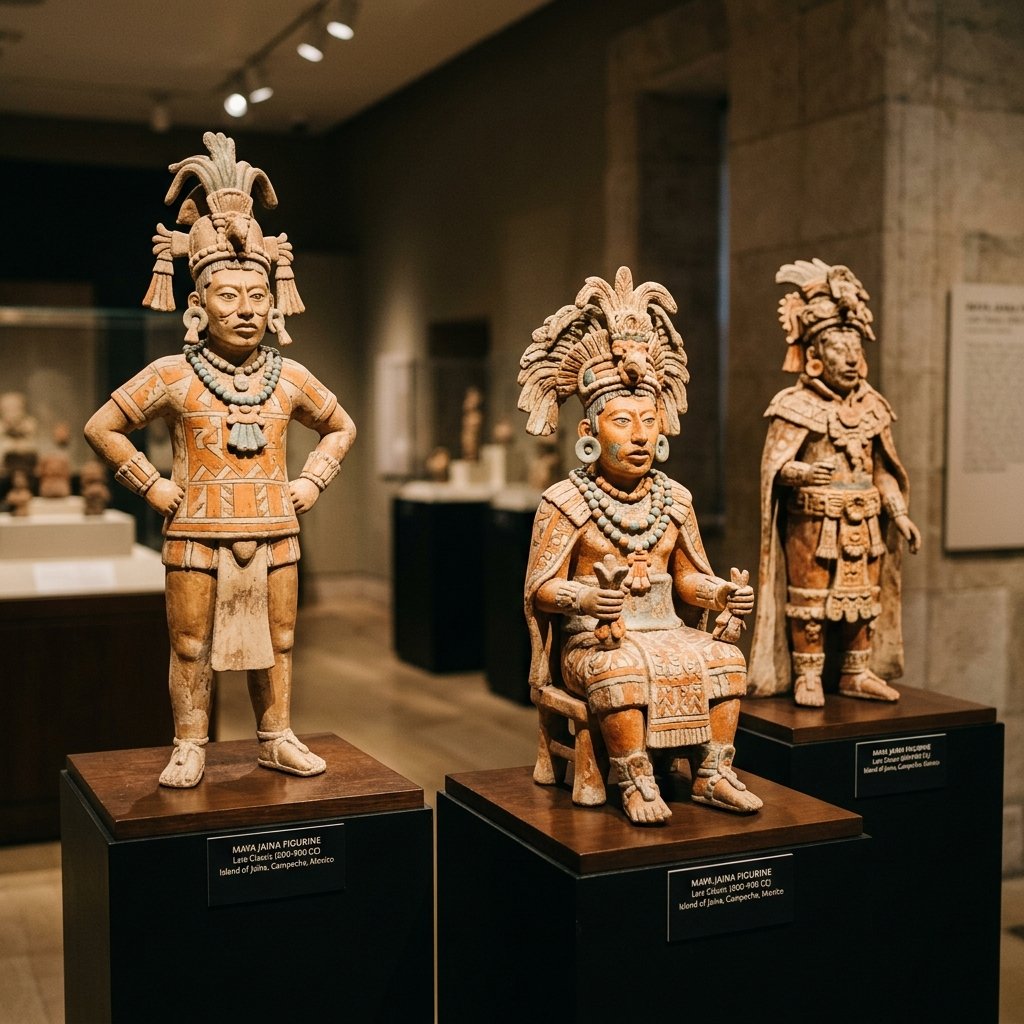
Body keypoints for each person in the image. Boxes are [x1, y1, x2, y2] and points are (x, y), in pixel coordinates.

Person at [85, 133, 356, 787]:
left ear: (273, 301)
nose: (246, 310)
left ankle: (276, 736)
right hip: (196, 530)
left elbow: (340, 424)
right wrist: (151, 486)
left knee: (281, 643)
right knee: (188, 643)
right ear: (198, 305)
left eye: (256, 297)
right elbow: (104, 426)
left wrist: (312, 482)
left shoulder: (288, 377)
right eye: (228, 298)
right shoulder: (174, 374)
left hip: (273, 529)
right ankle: (190, 741)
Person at [518, 266, 761, 825]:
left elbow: (686, 578)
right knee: (619, 668)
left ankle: (713, 772)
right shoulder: (565, 501)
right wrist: (584, 600)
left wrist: (721, 594)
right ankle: (634, 777)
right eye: (622, 421)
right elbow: (540, 588)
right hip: (592, 643)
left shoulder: (674, 499)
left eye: (649, 422)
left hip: (666, 628)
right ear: (589, 433)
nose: (640, 435)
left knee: (724, 657)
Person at [748, 259, 920, 707]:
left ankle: (855, 671)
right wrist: (803, 472)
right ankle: (807, 675)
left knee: (861, 603)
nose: (849, 358)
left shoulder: (874, 407)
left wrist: (899, 513)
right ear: (815, 356)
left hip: (864, 526)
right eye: (837, 348)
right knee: (811, 603)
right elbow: (776, 468)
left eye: (854, 347)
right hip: (813, 526)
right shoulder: (795, 406)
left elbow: (883, 469)